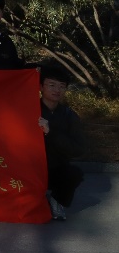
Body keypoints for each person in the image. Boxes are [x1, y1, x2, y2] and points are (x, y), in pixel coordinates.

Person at [39, 63, 87, 220]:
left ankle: (56, 200)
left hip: (56, 169)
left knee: (74, 173)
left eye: (61, 86)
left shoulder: (69, 115)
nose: (57, 90)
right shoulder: (30, 110)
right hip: (31, 169)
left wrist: (51, 133)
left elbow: (79, 149)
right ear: (41, 87)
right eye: (51, 85)